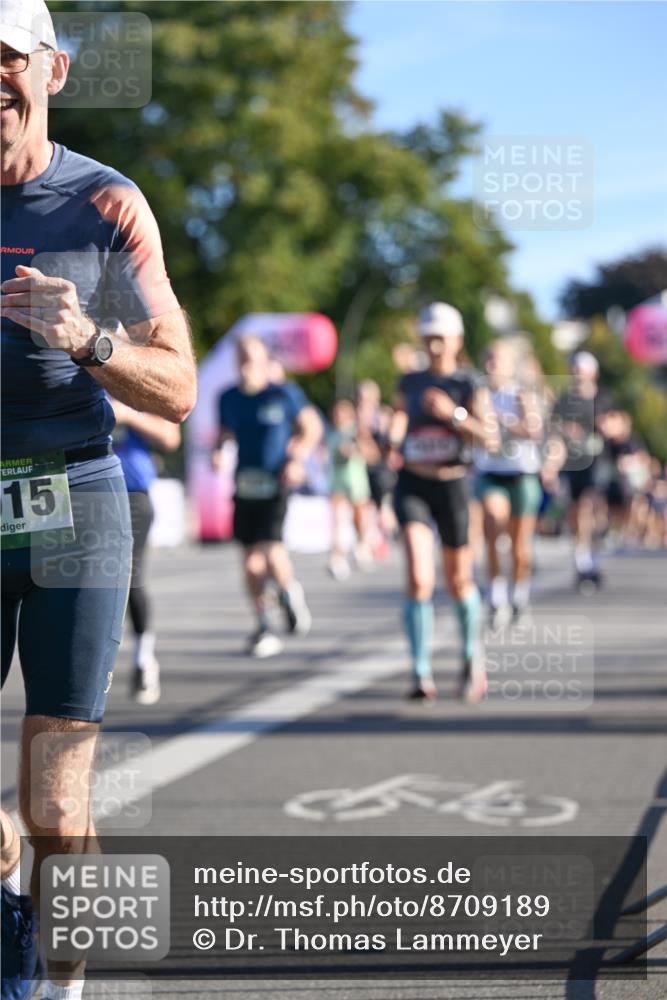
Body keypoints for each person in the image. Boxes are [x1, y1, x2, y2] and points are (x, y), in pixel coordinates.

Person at [0, 3, 197, 997]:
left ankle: (60, 987)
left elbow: (178, 384)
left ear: (53, 71)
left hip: (74, 496)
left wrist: (90, 339)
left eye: (5, 60)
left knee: (53, 801)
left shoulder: (104, 202)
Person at [389, 302, 499, 702]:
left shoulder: (469, 384)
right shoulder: (411, 381)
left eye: (441, 338)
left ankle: (472, 656)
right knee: (419, 578)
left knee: (458, 581)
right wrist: (392, 436)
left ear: (456, 341)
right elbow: (400, 417)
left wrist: (452, 414)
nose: (434, 346)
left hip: (453, 486)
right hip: (414, 484)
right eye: (428, 338)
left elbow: (490, 438)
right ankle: (420, 672)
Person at [212, 335, 322, 658]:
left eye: (252, 357)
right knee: (250, 563)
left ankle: (289, 592)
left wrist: (297, 457)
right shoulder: (228, 398)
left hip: (277, 482)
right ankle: (264, 624)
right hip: (245, 485)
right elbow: (224, 433)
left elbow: (311, 427)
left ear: (264, 361)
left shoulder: (283, 393)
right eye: (241, 357)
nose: (246, 363)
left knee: (273, 555)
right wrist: (219, 452)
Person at [111, 401, 181, 705]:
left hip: (131, 495)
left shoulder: (130, 379)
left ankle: (143, 659)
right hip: (80, 494)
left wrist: (128, 415)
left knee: (128, 577)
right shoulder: (69, 372)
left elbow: (170, 436)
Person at [473, 339, 545, 625]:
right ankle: (496, 596)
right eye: (488, 359)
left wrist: (503, 421)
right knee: (492, 524)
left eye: (498, 360)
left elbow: (534, 431)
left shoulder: (521, 395)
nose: (492, 365)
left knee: (519, 547)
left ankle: (520, 597)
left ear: (510, 366)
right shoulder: (478, 395)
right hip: (492, 474)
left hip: (521, 475)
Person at [552, 352, 612, 591]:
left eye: (582, 370)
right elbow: (552, 428)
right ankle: (583, 562)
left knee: (593, 508)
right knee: (577, 512)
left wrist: (602, 427)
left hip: (599, 462)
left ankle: (593, 557)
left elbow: (617, 425)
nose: (577, 375)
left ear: (592, 374)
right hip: (573, 463)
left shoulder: (603, 398)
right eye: (574, 370)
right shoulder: (564, 400)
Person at [327, 398, 373, 580]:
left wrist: (355, 448)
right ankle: (337, 558)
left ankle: (361, 548)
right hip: (338, 481)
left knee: (358, 519)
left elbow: (372, 455)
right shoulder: (331, 434)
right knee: (339, 521)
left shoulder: (357, 432)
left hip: (356, 481)